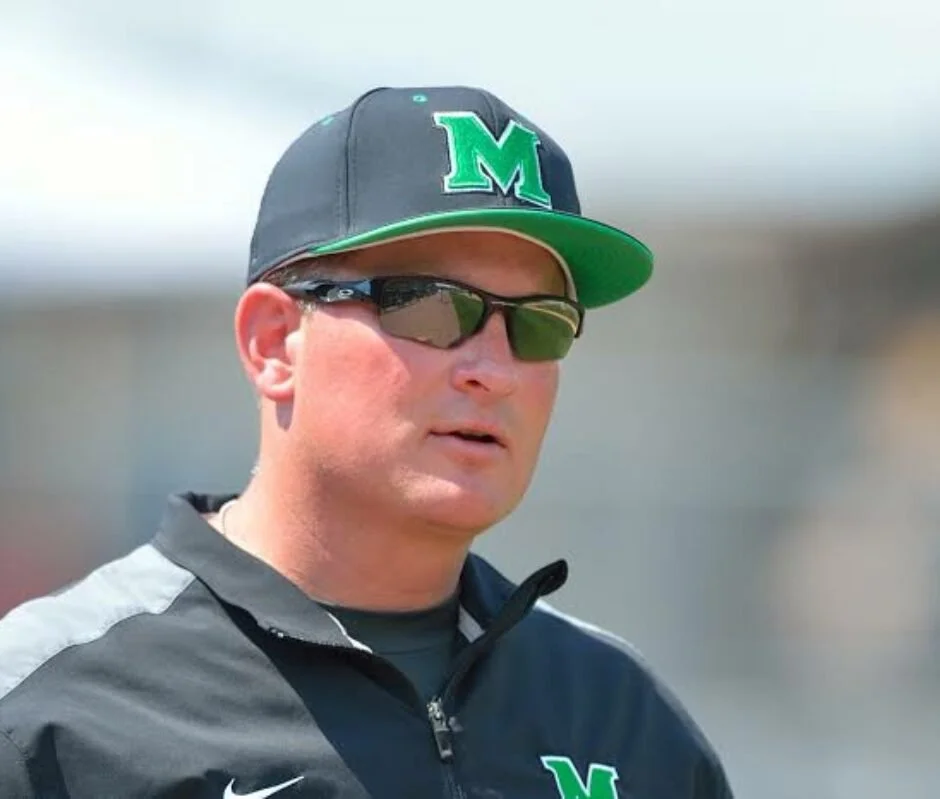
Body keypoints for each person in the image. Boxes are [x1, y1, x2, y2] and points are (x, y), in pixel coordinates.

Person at [0, 85, 733, 798]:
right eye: (431, 305)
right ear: (274, 343)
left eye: (539, 321)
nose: (494, 369)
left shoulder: (626, 723)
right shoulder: (48, 716)